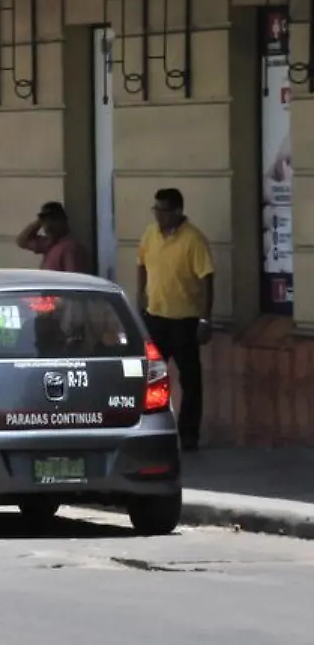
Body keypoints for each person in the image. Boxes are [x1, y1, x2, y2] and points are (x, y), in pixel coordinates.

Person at [136, 188, 214, 452]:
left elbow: (206, 280)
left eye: (164, 210)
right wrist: (140, 295)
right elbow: (141, 263)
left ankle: (189, 434)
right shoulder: (150, 233)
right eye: (156, 209)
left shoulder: (194, 240)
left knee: (190, 380)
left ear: (178, 211)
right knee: (150, 377)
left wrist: (205, 320)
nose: (159, 215)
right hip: (155, 317)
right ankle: (148, 430)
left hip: (184, 320)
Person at [15, 201, 90, 273]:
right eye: (45, 221)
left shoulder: (71, 248)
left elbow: (74, 280)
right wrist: (39, 221)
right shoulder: (49, 244)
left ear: (63, 220)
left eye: (53, 220)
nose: (49, 225)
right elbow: (22, 241)